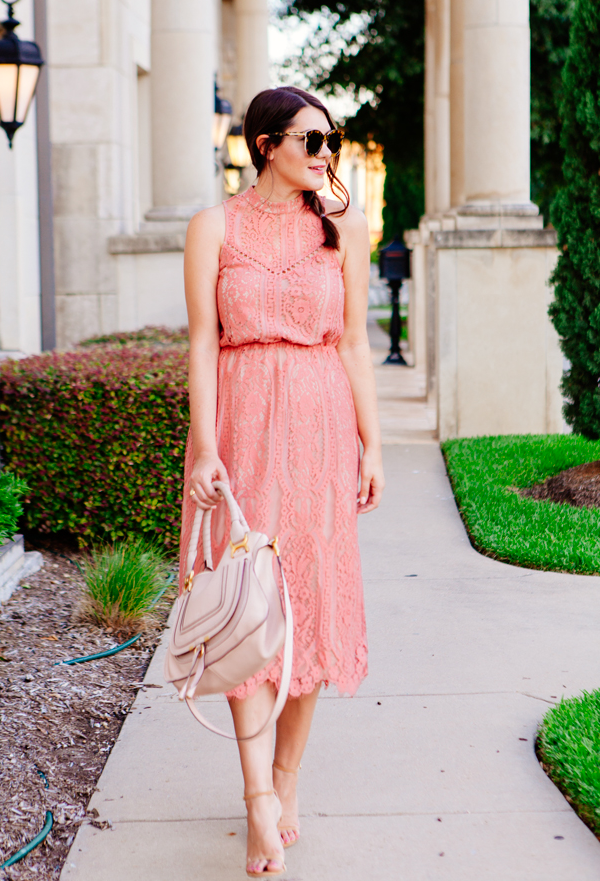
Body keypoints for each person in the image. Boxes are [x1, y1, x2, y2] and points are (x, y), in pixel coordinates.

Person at [181, 85, 384, 877]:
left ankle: (285, 783)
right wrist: (205, 448)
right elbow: (203, 341)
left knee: (310, 604)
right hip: (240, 426)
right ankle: (257, 801)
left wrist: (373, 444)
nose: (326, 153)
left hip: (322, 424)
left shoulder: (344, 229)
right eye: (311, 140)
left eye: (330, 140)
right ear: (267, 144)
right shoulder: (213, 229)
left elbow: (357, 344)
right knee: (248, 607)